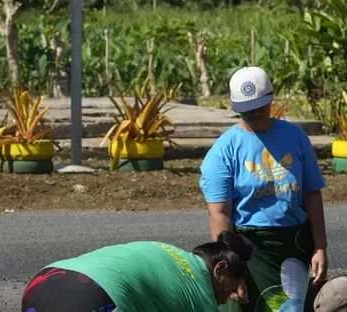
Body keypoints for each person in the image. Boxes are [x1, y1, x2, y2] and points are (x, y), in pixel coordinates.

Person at [199, 66, 328, 312]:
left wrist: (320, 246)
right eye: (246, 108)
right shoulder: (224, 150)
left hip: (294, 245)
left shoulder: (295, 136)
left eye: (259, 104)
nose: (255, 112)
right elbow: (220, 214)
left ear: (271, 97)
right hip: (247, 250)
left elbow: (312, 194)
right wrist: (231, 270)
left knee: (290, 307)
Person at [20, 231, 252, 312]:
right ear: (219, 269)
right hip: (89, 297)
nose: (226, 300)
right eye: (229, 290)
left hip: (42, 283)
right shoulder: (201, 299)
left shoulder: (169, 252)